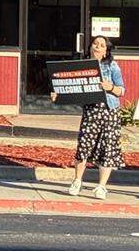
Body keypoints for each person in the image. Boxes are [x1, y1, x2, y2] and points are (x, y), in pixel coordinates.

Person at [53, 35, 127, 199]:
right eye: (95, 44)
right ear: (90, 47)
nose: (97, 47)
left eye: (101, 45)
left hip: (110, 111)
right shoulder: (81, 66)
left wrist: (111, 87)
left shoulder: (113, 66)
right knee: (84, 146)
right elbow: (72, 89)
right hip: (91, 111)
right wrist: (58, 96)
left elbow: (122, 91)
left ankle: (101, 187)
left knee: (108, 148)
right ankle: (77, 181)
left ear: (106, 50)